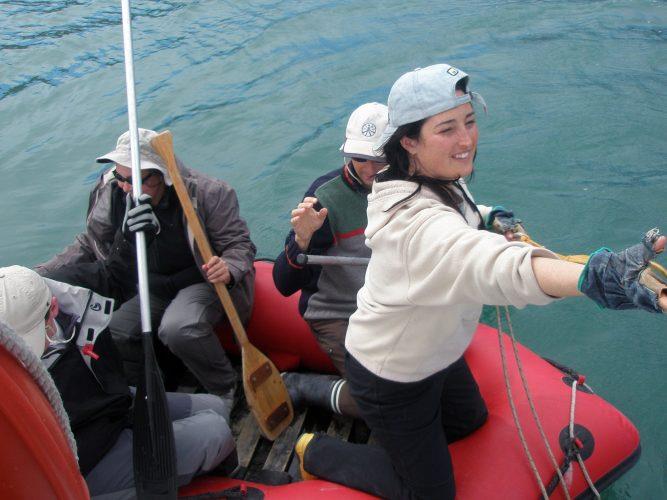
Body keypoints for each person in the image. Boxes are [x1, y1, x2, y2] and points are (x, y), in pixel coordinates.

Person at [291, 63, 667, 499]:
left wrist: (488, 216)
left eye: (469, 121)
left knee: (470, 423)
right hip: (391, 373)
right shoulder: (411, 226)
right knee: (429, 494)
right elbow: (494, 263)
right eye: (446, 128)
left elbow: (461, 215)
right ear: (408, 140)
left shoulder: (428, 175)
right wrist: (593, 278)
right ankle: (316, 450)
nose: (466, 139)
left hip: (437, 352)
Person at [36, 128, 256, 405]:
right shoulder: (112, 191)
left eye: (135, 180)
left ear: (160, 175)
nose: (125, 187)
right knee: (114, 329)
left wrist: (229, 266)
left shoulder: (210, 193)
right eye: (120, 177)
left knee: (178, 327)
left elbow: (240, 245)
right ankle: (161, 384)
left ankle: (225, 387)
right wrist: (40, 275)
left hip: (200, 281)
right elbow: (90, 242)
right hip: (148, 284)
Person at [0, 265, 238, 497]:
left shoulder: (73, 296)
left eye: (31, 338)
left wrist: (127, 234)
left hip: (114, 409)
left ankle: (192, 472)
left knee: (215, 406)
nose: (24, 354)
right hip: (88, 459)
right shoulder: (9, 368)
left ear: (53, 308)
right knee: (215, 431)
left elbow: (115, 271)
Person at [273, 102, 389, 418]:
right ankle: (302, 386)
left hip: (387, 303)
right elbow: (283, 284)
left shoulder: (406, 184)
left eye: (380, 159)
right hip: (340, 312)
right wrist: (302, 240)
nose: (369, 168)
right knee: (381, 402)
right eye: (359, 158)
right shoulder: (324, 200)